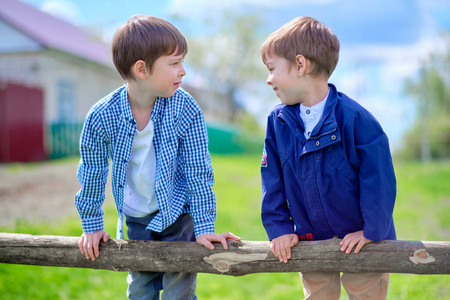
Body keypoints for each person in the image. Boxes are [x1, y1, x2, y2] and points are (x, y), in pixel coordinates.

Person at [75, 15, 240, 299]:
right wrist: (92, 225)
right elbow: (92, 171)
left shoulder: (184, 107)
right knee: (141, 290)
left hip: (179, 213)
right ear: (142, 69)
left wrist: (203, 227)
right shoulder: (102, 116)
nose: (183, 71)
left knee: (179, 291)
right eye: (174, 63)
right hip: (137, 216)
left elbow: (197, 170)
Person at [260, 16, 396, 299]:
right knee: (318, 294)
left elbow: (378, 179)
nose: (268, 78)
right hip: (310, 238)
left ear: (300, 64)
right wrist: (279, 229)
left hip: (363, 240)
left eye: (272, 69)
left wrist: (372, 231)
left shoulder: (356, 119)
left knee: (366, 292)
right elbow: (271, 179)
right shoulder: (278, 121)